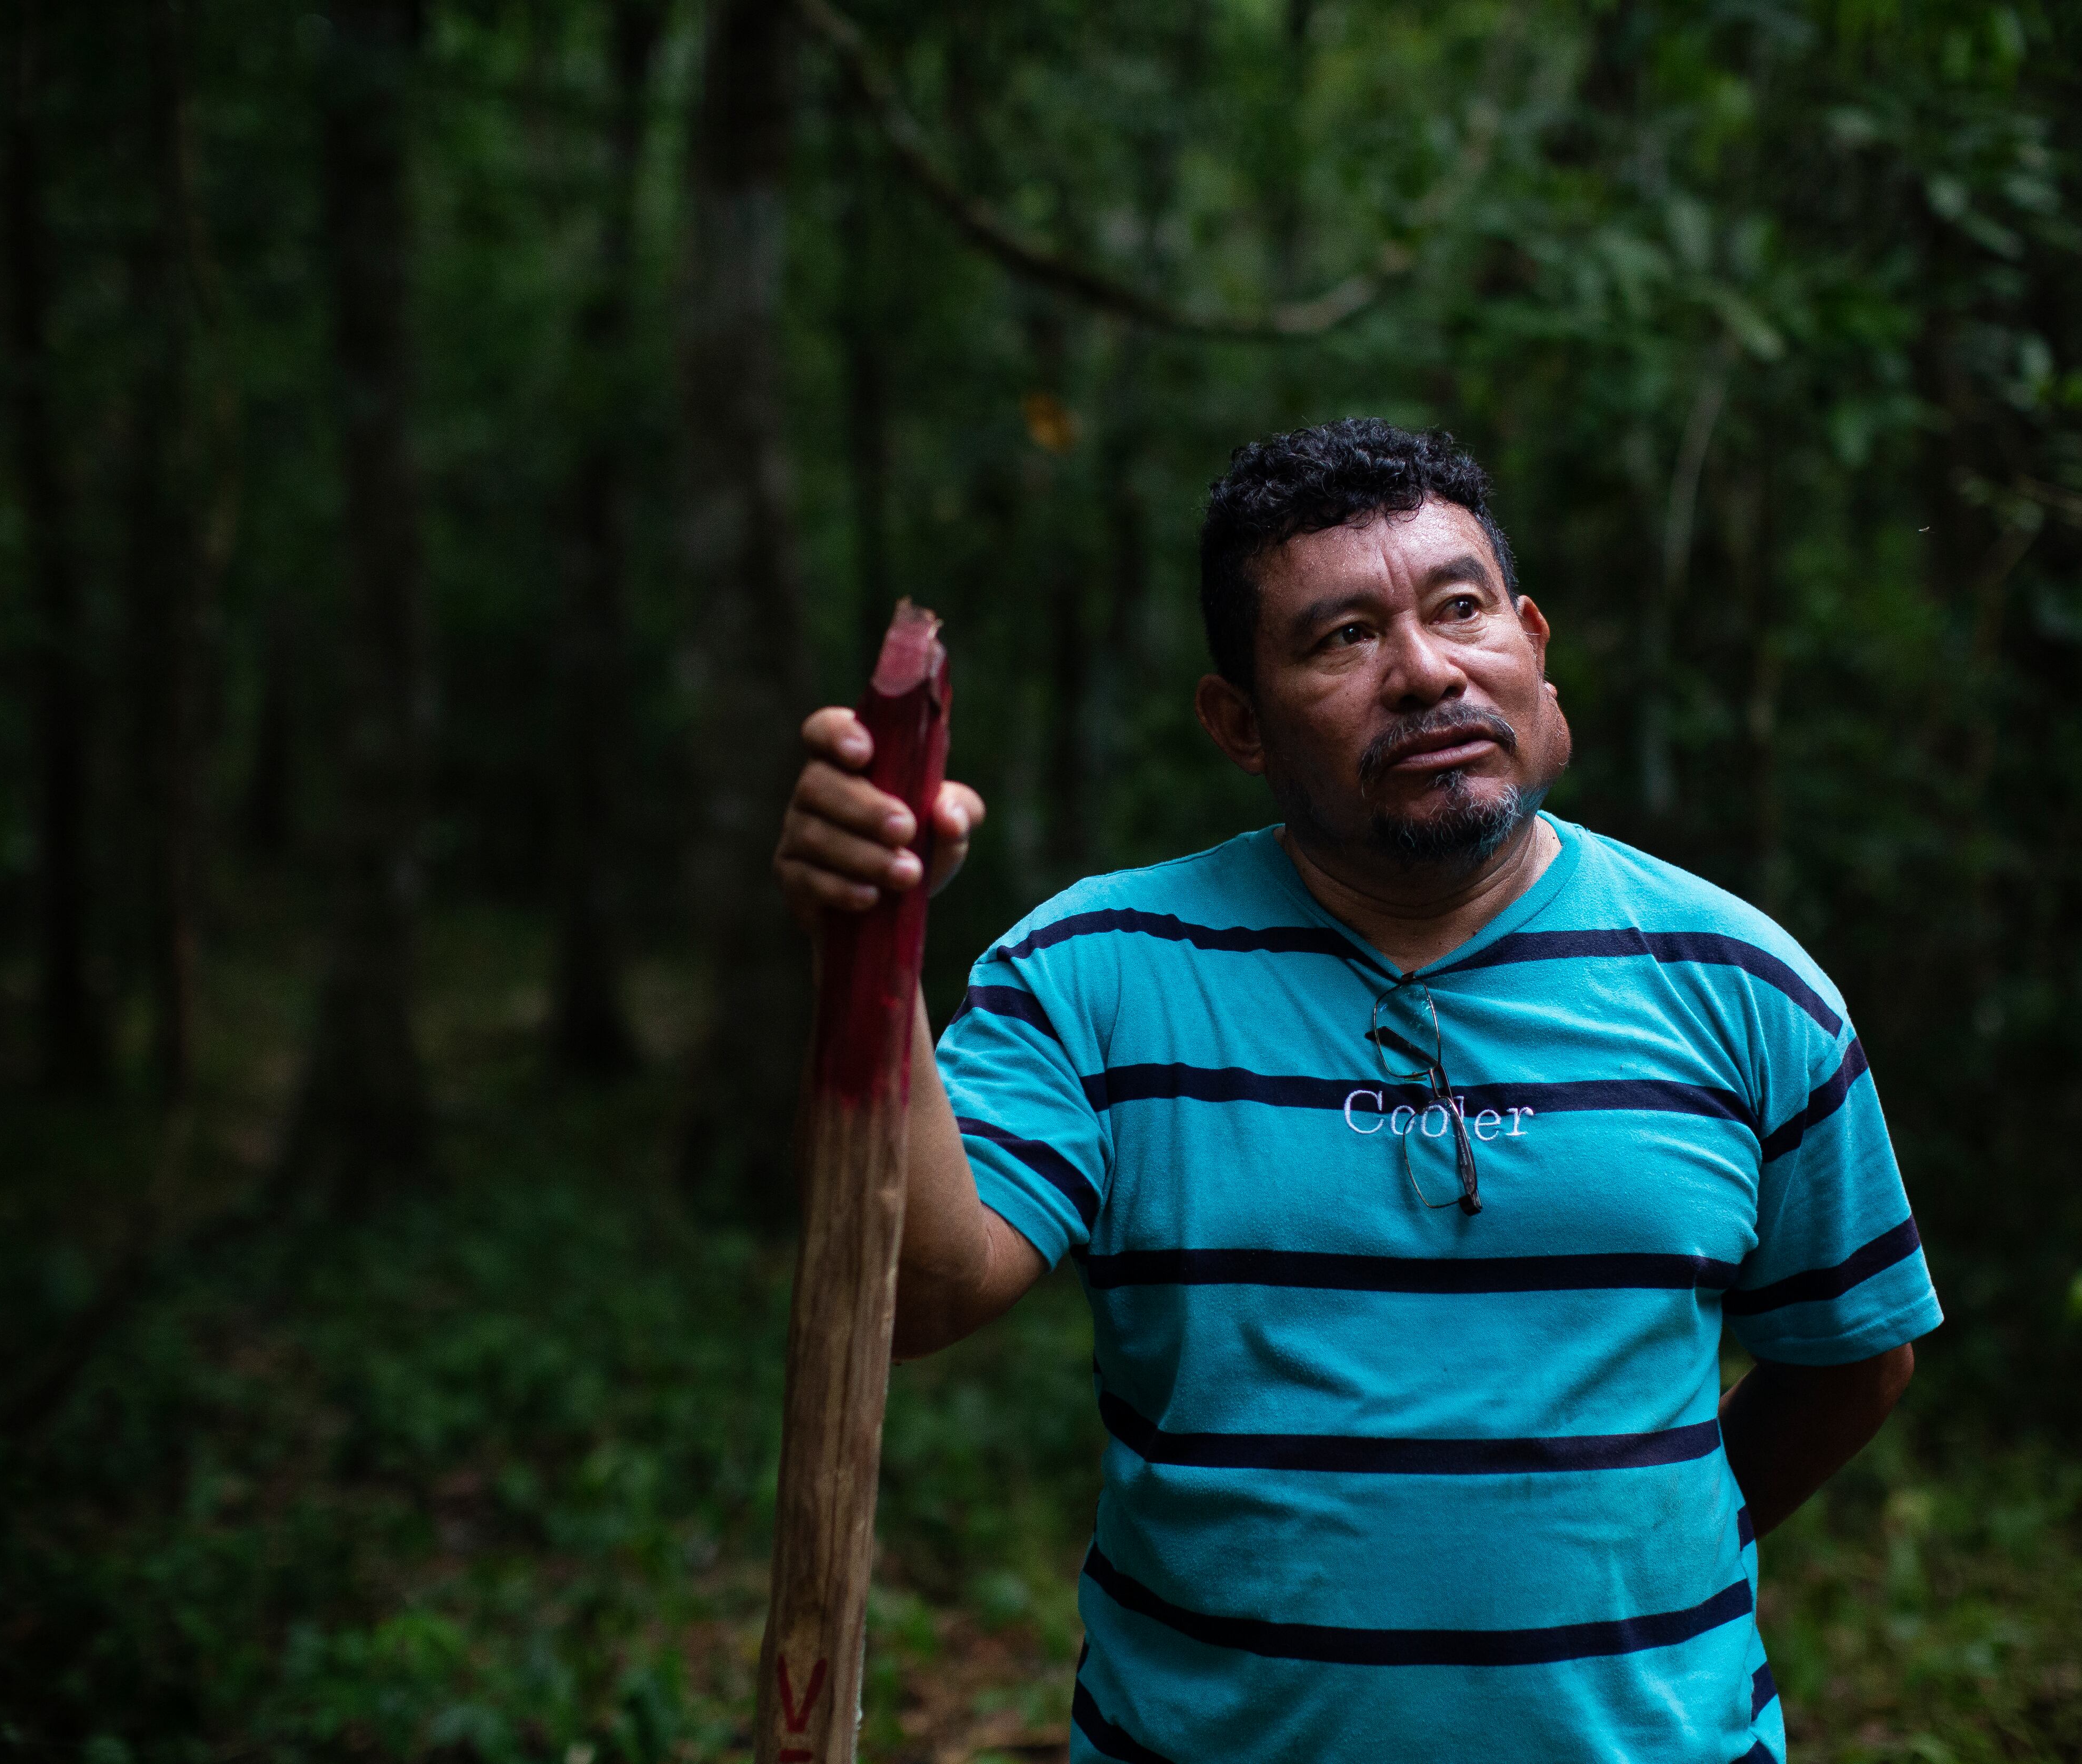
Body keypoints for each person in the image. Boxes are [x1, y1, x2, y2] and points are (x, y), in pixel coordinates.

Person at [773, 418, 1939, 1764]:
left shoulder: (1739, 982)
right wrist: (875, 943)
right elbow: (912, 1299)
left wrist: (1634, 1557)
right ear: (1237, 722)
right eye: (1340, 639)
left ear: (1535, 642)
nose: (1426, 671)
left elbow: (1853, 1357)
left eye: (1461, 607)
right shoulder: (1097, 975)